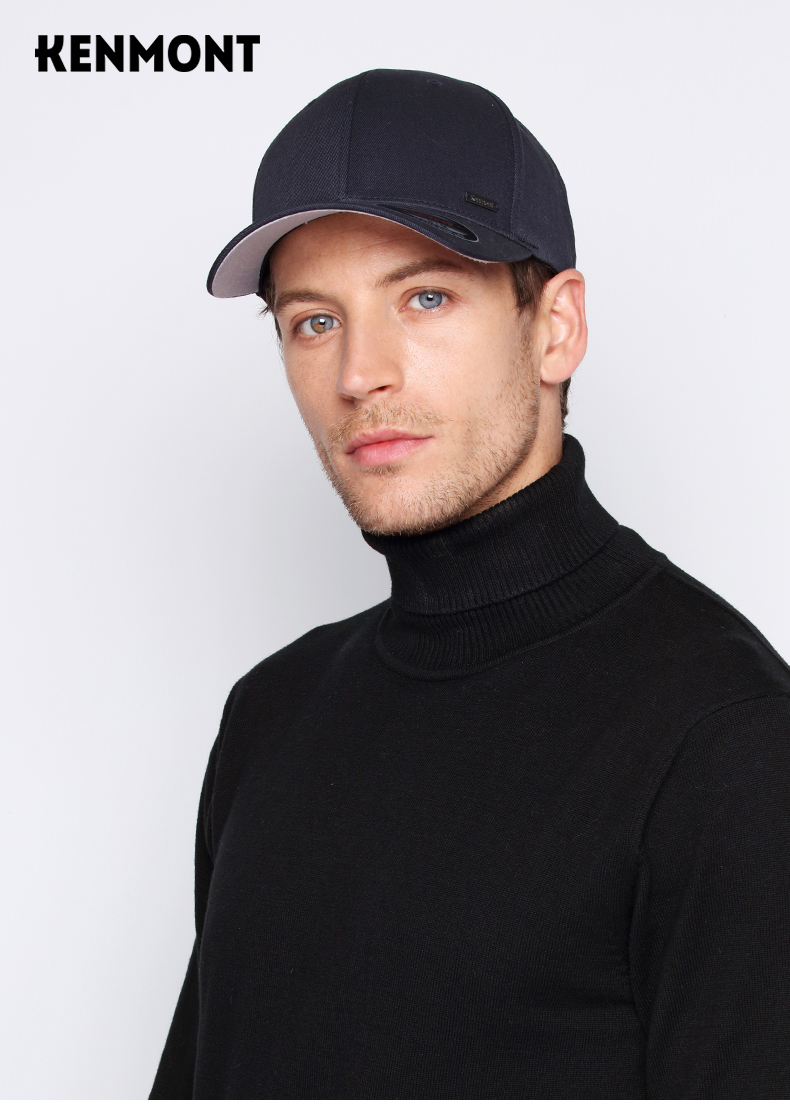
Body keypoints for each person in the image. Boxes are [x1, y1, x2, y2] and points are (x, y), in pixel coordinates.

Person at [150, 69, 790, 1099]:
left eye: (426, 297)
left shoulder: (723, 738)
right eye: (313, 321)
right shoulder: (270, 714)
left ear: (555, 327)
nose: (359, 373)